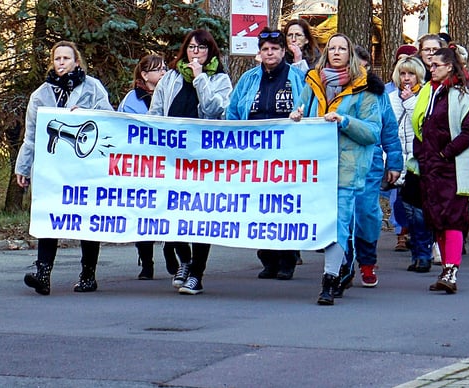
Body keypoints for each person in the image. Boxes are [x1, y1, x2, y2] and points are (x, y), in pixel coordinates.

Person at [17, 41, 114, 295]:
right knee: (49, 217)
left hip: (86, 168)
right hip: (53, 171)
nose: (61, 63)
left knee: (86, 218)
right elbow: (32, 135)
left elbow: (110, 117)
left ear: (76, 62)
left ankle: (88, 274)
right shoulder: (41, 94)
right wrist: (23, 167)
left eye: (66, 58)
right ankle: (43, 273)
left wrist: (85, 114)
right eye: (57, 58)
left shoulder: (92, 87)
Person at [290, 33, 381, 305]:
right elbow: (301, 111)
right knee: (326, 224)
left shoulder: (364, 88)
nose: (337, 52)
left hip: (346, 168)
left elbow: (372, 132)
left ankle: (329, 281)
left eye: (342, 48)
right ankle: (343, 268)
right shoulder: (313, 81)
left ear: (350, 54)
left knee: (339, 224)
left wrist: (344, 121)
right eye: (332, 48)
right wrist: (296, 118)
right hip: (317, 169)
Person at [148, 28, 233, 294]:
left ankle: (197, 272)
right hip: (172, 154)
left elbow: (213, 109)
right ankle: (184, 260)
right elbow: (156, 111)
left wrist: (200, 79)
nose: (196, 53)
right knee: (172, 212)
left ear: (210, 52)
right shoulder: (171, 77)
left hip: (202, 158)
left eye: (202, 48)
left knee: (199, 215)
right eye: (192, 48)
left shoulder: (219, 79)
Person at [226, 28, 307, 280]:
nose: (269, 53)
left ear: (284, 51)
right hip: (254, 154)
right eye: (265, 49)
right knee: (261, 207)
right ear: (259, 53)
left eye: (274, 48)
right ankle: (267, 257)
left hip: (288, 154)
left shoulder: (298, 77)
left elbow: (309, 107)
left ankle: (287, 258)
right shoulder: (248, 79)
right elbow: (233, 111)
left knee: (284, 206)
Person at [412, 47, 469, 293]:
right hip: (431, 167)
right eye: (430, 65)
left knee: (452, 218)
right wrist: (422, 155)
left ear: (449, 66)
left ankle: (452, 269)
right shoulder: (430, 93)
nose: (431, 69)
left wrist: (446, 153)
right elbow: (421, 126)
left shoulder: (461, 95)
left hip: (452, 167)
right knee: (437, 219)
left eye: (436, 65)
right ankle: (445, 268)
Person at [338, 44, 403, 290]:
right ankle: (342, 264)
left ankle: (367, 262)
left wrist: (394, 161)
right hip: (339, 159)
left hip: (369, 160)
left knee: (366, 213)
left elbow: (388, 128)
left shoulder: (376, 92)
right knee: (343, 214)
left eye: (364, 67)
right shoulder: (335, 89)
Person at [120, 54, 177, 280]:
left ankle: (171, 249)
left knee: (170, 210)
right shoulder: (132, 99)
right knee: (144, 213)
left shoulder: (170, 92)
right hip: (142, 166)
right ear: (144, 75)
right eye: (157, 70)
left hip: (168, 164)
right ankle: (146, 262)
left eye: (164, 69)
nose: (163, 73)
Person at [389, 56, 435, 272]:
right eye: (403, 74)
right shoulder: (390, 98)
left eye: (411, 74)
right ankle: (417, 253)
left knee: (419, 211)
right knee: (406, 210)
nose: (406, 78)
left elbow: (424, 126)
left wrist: (409, 101)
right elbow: (388, 130)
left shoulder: (426, 95)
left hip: (419, 162)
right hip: (399, 162)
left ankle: (424, 254)